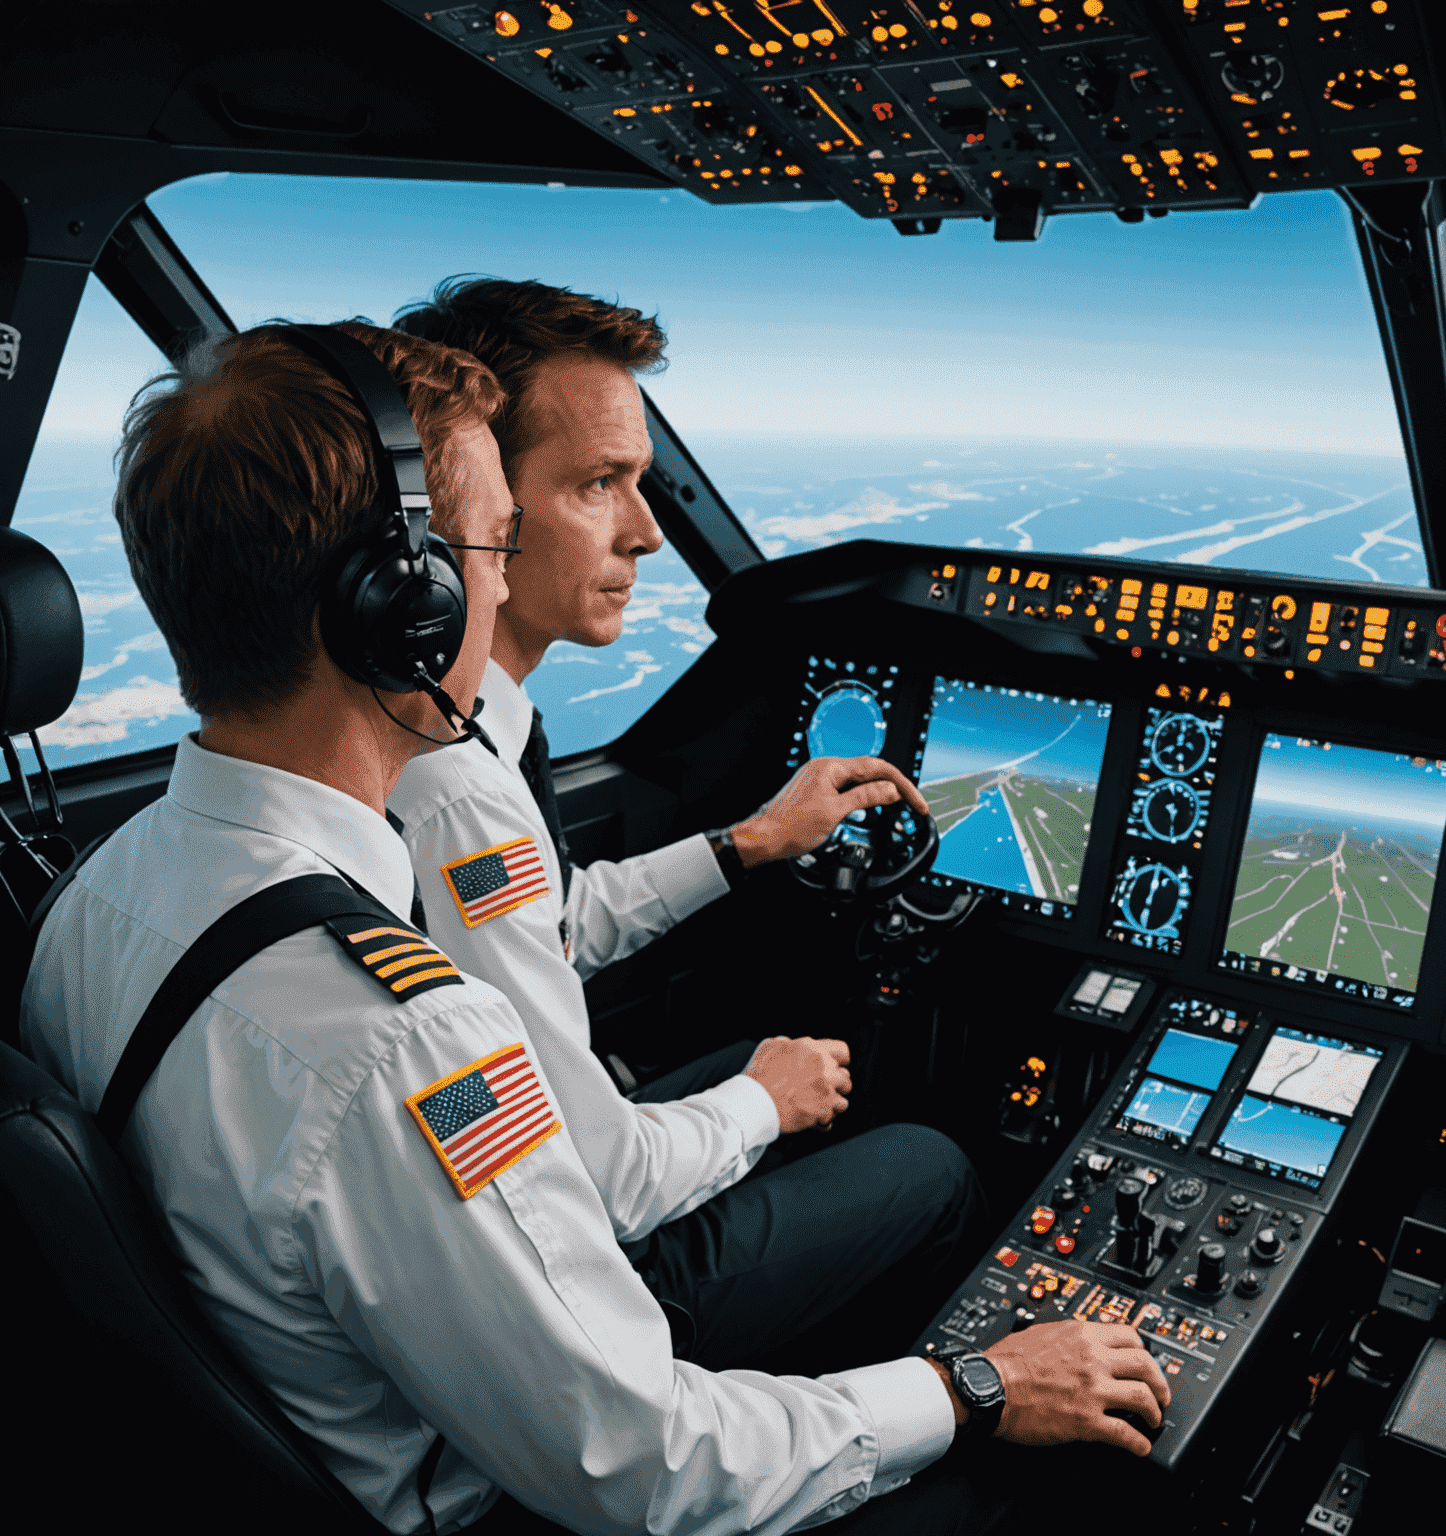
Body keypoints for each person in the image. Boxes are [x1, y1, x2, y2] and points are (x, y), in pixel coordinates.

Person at [22, 320, 1170, 1536]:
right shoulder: (400, 1043)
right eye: (490, 547)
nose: (505, 584)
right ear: (396, 606)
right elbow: (650, 1461)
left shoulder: (92, 897)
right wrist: (979, 1386)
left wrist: (739, 855)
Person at [387, 277, 971, 1372]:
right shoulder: (453, 791)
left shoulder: (463, 741)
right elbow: (606, 1187)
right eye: (600, 483)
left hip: (507, 1191)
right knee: (933, 1162)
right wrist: (760, 1103)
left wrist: (745, 843)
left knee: (789, 1069)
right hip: (582, 1294)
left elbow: (544, 926)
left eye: (641, 484)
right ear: (474, 507)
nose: (649, 534)